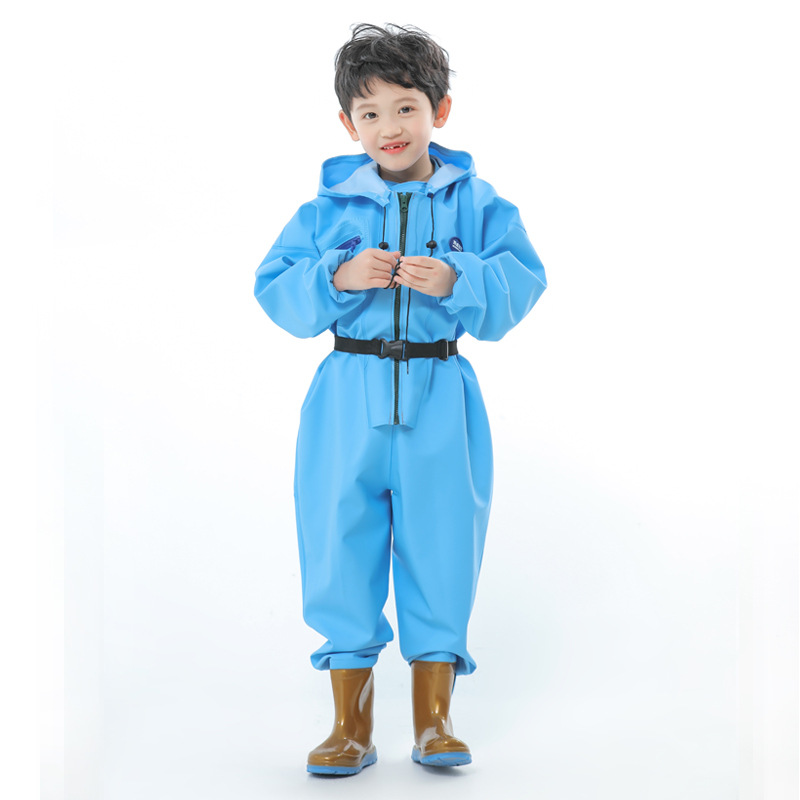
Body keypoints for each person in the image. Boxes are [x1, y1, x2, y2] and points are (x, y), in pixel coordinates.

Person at [254, 23, 546, 775]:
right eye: (371, 112)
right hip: (344, 398)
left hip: (440, 392)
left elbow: (522, 282)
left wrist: (459, 279)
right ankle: (349, 726)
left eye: (407, 107)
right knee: (336, 541)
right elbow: (275, 287)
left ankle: (435, 721)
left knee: (444, 546)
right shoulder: (325, 210)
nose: (390, 126)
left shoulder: (480, 204)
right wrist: (335, 276)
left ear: (440, 111)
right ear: (347, 123)